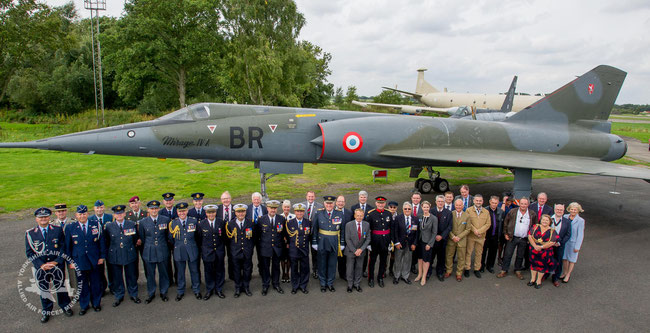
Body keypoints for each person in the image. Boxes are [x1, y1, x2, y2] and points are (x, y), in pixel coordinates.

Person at [25, 207, 73, 322]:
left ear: (49, 217)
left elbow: (63, 247)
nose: (43, 219)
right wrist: (41, 265)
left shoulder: (57, 230)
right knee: (44, 289)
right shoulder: (30, 233)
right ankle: (46, 310)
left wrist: (57, 261)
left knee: (60, 286)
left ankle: (65, 306)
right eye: (41, 217)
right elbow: (30, 252)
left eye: (45, 217)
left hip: (56, 264)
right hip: (41, 267)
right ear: (36, 219)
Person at [65, 205, 105, 315]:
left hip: (94, 260)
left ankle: (96, 303)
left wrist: (102, 257)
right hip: (79, 261)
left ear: (88, 214)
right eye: (80, 214)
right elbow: (68, 247)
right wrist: (70, 261)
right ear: (76, 215)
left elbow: (101, 242)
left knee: (95, 283)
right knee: (82, 285)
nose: (82, 216)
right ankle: (84, 305)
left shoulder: (96, 224)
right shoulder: (70, 228)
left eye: (84, 213)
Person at [104, 205, 140, 307]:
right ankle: (119, 295)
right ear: (114, 215)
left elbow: (135, 239)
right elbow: (107, 241)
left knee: (131, 276)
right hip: (115, 255)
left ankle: (133, 294)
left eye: (121, 213)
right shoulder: (109, 226)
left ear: (124, 214)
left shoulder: (131, 224)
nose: (119, 215)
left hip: (129, 253)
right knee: (117, 277)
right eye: (117, 214)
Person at [138, 200, 171, 303]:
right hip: (149, 251)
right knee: (150, 274)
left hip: (162, 249)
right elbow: (143, 237)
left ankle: (163, 292)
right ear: (148, 210)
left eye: (156, 208)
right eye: (152, 209)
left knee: (163, 272)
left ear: (158, 209)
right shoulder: (143, 222)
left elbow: (167, 236)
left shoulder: (165, 220)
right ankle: (151, 293)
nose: (154, 210)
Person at [167, 202, 201, 301]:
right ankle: (180, 291)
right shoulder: (173, 223)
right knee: (180, 273)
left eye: (184, 211)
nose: (182, 213)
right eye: (180, 211)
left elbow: (198, 236)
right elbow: (171, 238)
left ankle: (196, 290)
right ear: (177, 212)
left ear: (187, 211)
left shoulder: (193, 221)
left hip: (192, 249)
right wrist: (179, 245)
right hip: (179, 250)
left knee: (194, 271)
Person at [498, 197, 538, 280]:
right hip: (512, 237)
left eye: (525, 204)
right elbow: (506, 222)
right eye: (522, 203)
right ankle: (504, 270)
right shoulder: (512, 211)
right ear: (519, 204)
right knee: (508, 254)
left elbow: (535, 227)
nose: (523, 205)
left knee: (520, 255)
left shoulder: (532, 214)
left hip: (524, 239)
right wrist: (505, 233)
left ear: (528, 204)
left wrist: (531, 238)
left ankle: (518, 270)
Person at [312, 195, 345, 292]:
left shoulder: (339, 214)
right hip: (322, 242)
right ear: (324, 204)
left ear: (334, 204)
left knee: (332, 264)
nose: (329, 205)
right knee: (322, 263)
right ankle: (323, 283)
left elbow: (342, 230)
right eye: (327, 203)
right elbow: (315, 229)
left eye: (331, 203)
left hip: (335, 242)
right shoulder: (319, 213)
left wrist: (342, 243)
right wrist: (314, 242)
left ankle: (330, 283)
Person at [196, 204, 226, 300]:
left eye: (213, 212)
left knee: (220, 271)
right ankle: (209, 290)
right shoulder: (201, 224)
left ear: (215, 212)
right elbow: (199, 239)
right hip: (207, 252)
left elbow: (224, 237)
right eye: (209, 213)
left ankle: (219, 289)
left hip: (219, 251)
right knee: (208, 271)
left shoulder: (221, 222)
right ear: (206, 213)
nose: (211, 214)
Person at [256, 200, 286, 295]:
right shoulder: (261, 219)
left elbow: (283, 234)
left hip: (277, 247)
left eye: (274, 208)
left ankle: (276, 284)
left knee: (276, 266)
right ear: (267, 208)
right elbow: (258, 235)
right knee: (265, 267)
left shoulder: (281, 219)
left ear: (277, 209)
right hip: (265, 247)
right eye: (271, 208)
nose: (273, 210)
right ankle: (265, 285)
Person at [225, 204, 255, 297]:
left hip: (247, 251)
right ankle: (237, 288)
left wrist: (250, 247)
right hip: (235, 251)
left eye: (242, 211)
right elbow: (228, 240)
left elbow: (254, 237)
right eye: (238, 212)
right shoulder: (230, 224)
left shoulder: (251, 223)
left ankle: (246, 287)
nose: (241, 214)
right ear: (235, 213)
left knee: (247, 270)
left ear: (245, 212)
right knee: (236, 270)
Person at [366, 196, 393, 288]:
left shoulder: (388, 213)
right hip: (374, 241)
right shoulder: (371, 214)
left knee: (383, 261)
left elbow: (391, 228)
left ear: (385, 204)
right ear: (376, 203)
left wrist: (390, 242)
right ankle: (371, 278)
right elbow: (368, 229)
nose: (380, 204)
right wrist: (368, 243)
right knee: (372, 261)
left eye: (382, 203)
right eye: (379, 203)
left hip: (385, 241)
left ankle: (380, 277)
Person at [527, 214, 559, 289]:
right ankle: (532, 279)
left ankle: (538, 281)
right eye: (543, 220)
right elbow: (529, 236)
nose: (544, 221)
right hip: (533, 249)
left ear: (549, 222)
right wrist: (535, 246)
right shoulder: (535, 227)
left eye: (547, 220)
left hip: (545, 251)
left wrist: (541, 247)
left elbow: (552, 242)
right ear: (540, 220)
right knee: (533, 264)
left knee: (542, 266)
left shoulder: (552, 231)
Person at [52, 203, 77, 298]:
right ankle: (64, 296)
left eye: (63, 211)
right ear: (55, 213)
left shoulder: (73, 222)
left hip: (71, 251)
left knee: (73, 274)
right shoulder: (52, 224)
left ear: (66, 211)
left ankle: (75, 294)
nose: (61, 213)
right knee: (59, 275)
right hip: (58, 253)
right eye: (59, 211)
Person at [285, 203, 310, 294]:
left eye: (301, 211)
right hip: (294, 250)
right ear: (295, 212)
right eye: (297, 211)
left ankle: (303, 285)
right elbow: (287, 236)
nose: (299, 213)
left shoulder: (308, 222)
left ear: (303, 212)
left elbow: (309, 236)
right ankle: (295, 286)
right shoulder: (289, 223)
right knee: (294, 269)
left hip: (304, 249)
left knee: (304, 268)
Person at [88, 200, 112, 294]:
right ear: (94, 208)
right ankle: (102, 288)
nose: (99, 209)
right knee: (99, 270)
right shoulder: (90, 219)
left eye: (101, 207)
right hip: (97, 248)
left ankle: (112, 286)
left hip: (109, 246)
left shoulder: (110, 217)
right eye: (97, 208)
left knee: (111, 269)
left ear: (104, 208)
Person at [344, 209, 371, 292]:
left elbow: (368, 239)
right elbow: (347, 239)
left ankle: (357, 284)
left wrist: (361, 249)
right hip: (351, 251)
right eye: (358, 215)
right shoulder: (348, 225)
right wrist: (354, 250)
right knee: (350, 268)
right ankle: (350, 285)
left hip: (361, 251)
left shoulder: (366, 224)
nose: (359, 217)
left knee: (359, 268)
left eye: (361, 215)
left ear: (363, 216)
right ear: (355, 216)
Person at [464, 194, 490, 278]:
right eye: (477, 200)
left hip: (481, 237)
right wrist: (474, 230)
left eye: (480, 201)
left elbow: (488, 224)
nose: (478, 202)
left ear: (482, 201)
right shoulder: (468, 210)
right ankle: (467, 268)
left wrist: (479, 231)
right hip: (471, 236)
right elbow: (467, 222)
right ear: (474, 201)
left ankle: (476, 269)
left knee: (479, 253)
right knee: (468, 253)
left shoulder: (486, 212)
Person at [392, 202, 418, 284]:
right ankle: (396, 276)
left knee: (408, 260)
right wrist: (396, 242)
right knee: (398, 259)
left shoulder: (415, 219)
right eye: (405, 209)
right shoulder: (398, 218)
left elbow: (417, 233)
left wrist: (414, 243)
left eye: (409, 209)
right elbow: (395, 231)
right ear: (403, 209)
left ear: (411, 210)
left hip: (410, 243)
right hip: (400, 243)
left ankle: (405, 276)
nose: (407, 210)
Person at [445, 199, 470, 282]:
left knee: (461, 257)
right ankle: (448, 270)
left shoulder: (467, 216)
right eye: (457, 205)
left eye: (460, 205)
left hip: (461, 240)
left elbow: (468, 229)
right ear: (454, 206)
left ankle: (459, 273)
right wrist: (453, 237)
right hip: (451, 239)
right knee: (449, 256)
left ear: (463, 206)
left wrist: (459, 237)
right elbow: (448, 227)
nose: (458, 207)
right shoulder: (450, 214)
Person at [350, 190, 374, 278]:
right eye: (361, 197)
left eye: (364, 197)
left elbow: (371, 223)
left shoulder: (371, 208)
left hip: (365, 234)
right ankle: (353, 270)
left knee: (364, 253)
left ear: (367, 198)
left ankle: (363, 270)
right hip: (355, 234)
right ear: (358, 198)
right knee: (353, 253)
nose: (363, 198)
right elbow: (351, 221)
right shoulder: (353, 208)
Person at [414, 201, 437, 286]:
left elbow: (434, 232)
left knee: (426, 260)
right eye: (424, 207)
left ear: (430, 207)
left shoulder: (433, 218)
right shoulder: (419, 216)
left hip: (427, 242)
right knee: (420, 258)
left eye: (427, 207)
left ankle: (424, 276)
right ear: (422, 207)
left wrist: (430, 244)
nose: (426, 209)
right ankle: (419, 274)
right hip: (419, 241)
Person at [560, 202, 585, 283]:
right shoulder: (565, 216)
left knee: (571, 259)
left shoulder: (581, 221)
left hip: (573, 243)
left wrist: (577, 246)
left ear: (578, 211)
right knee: (564, 258)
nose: (573, 211)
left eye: (575, 210)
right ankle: (565, 272)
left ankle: (568, 274)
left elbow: (580, 234)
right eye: (572, 209)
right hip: (565, 242)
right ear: (569, 209)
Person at [548, 204, 571, 287]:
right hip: (548, 245)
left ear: (563, 211)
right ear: (554, 210)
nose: (559, 211)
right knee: (547, 260)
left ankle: (555, 278)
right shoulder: (549, 218)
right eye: (557, 209)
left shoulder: (567, 221)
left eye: (561, 210)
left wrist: (560, 243)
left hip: (559, 245)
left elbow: (568, 234)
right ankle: (545, 275)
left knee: (558, 262)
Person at [126, 196, 147, 283]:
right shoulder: (126, 216)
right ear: (129, 205)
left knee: (146, 262)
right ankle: (134, 280)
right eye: (132, 203)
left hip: (144, 242)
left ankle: (149, 279)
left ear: (140, 203)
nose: (135, 205)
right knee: (133, 263)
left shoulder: (146, 214)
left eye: (136, 202)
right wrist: (135, 240)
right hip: (133, 243)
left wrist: (141, 239)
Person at [302, 191, 323, 279]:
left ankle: (316, 270)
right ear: (306, 197)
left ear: (315, 197)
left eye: (312, 196)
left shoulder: (320, 206)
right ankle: (304, 270)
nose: (310, 198)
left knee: (315, 253)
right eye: (309, 196)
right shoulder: (301, 205)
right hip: (304, 233)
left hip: (315, 233)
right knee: (304, 252)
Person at [431, 195, 452, 281]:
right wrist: (434, 236)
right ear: (436, 202)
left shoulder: (448, 213)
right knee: (430, 257)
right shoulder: (431, 211)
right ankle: (428, 272)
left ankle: (439, 272)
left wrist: (442, 236)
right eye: (438, 201)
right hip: (432, 239)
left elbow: (449, 227)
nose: (440, 203)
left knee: (441, 257)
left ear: (444, 203)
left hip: (442, 239)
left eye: (442, 201)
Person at [481, 196, 504, 274]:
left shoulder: (501, 211)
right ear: (490, 202)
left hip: (495, 235)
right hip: (486, 235)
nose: (494, 204)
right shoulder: (484, 210)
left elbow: (502, 223)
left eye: (496, 203)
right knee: (483, 252)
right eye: (493, 203)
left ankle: (490, 266)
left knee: (493, 252)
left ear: (498, 203)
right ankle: (482, 266)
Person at [247, 192, 267, 278]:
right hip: (250, 236)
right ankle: (249, 273)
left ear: (261, 200)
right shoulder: (247, 208)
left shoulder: (265, 209)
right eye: (255, 199)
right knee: (248, 255)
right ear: (252, 200)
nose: (256, 201)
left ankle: (262, 271)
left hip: (261, 236)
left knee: (261, 255)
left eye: (258, 199)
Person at [159, 192, 177, 284]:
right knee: (166, 262)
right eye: (166, 201)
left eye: (170, 200)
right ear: (163, 202)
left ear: (173, 200)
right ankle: (169, 280)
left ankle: (178, 279)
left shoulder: (178, 210)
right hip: (165, 241)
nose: (168, 202)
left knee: (177, 261)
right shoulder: (160, 213)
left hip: (177, 241)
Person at [217, 191, 234, 281]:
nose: (226, 200)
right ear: (221, 200)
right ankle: (221, 277)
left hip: (232, 237)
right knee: (220, 257)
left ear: (230, 199)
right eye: (224, 199)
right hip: (221, 237)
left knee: (232, 256)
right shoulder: (217, 209)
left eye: (227, 198)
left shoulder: (236, 208)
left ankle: (232, 275)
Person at [336, 195, 353, 281]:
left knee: (343, 258)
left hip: (345, 239)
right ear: (336, 202)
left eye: (342, 201)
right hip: (334, 239)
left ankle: (343, 274)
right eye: (339, 201)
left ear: (345, 203)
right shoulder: (332, 211)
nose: (340, 203)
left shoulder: (349, 213)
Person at [279, 200, 295, 283]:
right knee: (282, 258)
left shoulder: (293, 216)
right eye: (285, 207)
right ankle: (283, 273)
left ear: (290, 207)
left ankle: (287, 273)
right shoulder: (279, 217)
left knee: (289, 258)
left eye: (288, 207)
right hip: (281, 241)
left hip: (291, 241)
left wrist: (289, 242)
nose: (286, 208)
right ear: (282, 207)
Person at [386, 200, 399, 278]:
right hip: (387, 238)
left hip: (395, 239)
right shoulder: (385, 215)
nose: (392, 209)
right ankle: (384, 269)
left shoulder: (399, 217)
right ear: (388, 207)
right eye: (391, 207)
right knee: (385, 255)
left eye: (394, 207)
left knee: (393, 256)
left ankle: (391, 269)